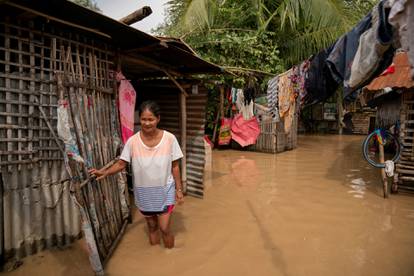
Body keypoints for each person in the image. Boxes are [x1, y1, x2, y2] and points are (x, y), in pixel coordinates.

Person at [89, 100, 184, 248]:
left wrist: (179, 190)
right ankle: (156, 259)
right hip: (144, 193)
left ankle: (170, 257)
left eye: (151, 119)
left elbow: (175, 166)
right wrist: (105, 172)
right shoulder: (132, 142)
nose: (147, 123)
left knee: (165, 228)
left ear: (158, 119)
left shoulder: (170, 139)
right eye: (144, 119)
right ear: (139, 120)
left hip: (165, 191)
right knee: (152, 227)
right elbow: (121, 164)